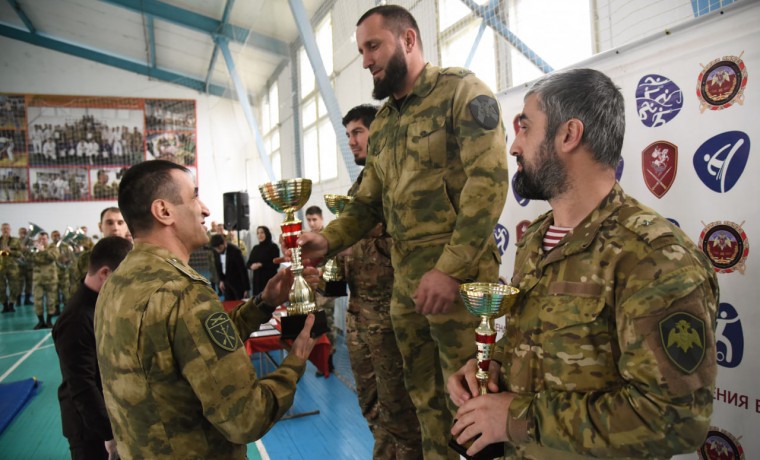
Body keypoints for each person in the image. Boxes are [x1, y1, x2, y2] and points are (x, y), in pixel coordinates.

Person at [447, 68, 719, 459]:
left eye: (525, 128)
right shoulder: (536, 239)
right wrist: (490, 363)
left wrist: (517, 417)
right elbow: (537, 340)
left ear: (568, 135)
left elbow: (676, 420)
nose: (514, 146)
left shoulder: (653, 257)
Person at [298, 5, 508, 457]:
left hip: (460, 288)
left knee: (473, 405)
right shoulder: (387, 122)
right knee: (425, 404)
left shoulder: (460, 91)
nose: (366, 60)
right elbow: (368, 201)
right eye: (360, 50)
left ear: (408, 40)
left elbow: (488, 183)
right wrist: (328, 239)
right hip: (408, 289)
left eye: (373, 46)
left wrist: (450, 270)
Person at [94, 159, 319, 459]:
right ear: (164, 211)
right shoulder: (183, 292)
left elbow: (193, 350)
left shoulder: (116, 283)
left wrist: (263, 303)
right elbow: (246, 418)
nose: (205, 209)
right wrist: (295, 362)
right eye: (194, 197)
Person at [338, 104, 422, 459]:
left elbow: (412, 248)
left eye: (357, 133)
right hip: (358, 317)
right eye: (348, 136)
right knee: (372, 409)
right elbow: (353, 249)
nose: (352, 142)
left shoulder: (400, 184)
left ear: (380, 132)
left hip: (391, 320)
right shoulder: (359, 190)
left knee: (402, 417)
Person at [53, 236, 133, 460]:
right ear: (105, 273)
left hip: (109, 413)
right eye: (123, 279)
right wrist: (108, 433)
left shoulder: (101, 303)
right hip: (90, 428)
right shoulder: (77, 319)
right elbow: (82, 384)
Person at [305, 205, 336, 376]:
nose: (312, 223)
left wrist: (320, 272)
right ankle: (321, 358)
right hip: (312, 287)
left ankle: (328, 361)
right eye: (309, 220)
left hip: (326, 286)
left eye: (314, 219)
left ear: (321, 219)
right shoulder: (308, 238)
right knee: (316, 323)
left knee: (327, 323)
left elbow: (335, 263)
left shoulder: (329, 236)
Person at [70, 207, 128, 295]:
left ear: (126, 226)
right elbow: (75, 291)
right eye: (110, 223)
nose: (115, 228)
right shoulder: (86, 259)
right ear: (100, 227)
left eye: (120, 223)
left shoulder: (137, 257)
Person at [31, 231, 59, 329]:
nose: (42, 241)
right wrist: (33, 249)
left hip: (50, 279)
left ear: (48, 239)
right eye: (40, 239)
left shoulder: (53, 247)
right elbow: (29, 259)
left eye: (44, 239)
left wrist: (43, 251)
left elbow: (53, 257)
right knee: (37, 301)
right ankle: (41, 321)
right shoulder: (34, 248)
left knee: (51, 301)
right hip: (37, 279)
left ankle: (49, 321)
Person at [210, 233, 250, 300]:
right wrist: (221, 280)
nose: (218, 250)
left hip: (238, 283)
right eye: (216, 249)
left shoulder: (235, 251)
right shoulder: (216, 251)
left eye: (219, 248)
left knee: (240, 304)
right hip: (226, 282)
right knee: (228, 303)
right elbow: (218, 267)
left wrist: (246, 289)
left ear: (224, 243)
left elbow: (243, 270)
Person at [246, 225, 280, 296]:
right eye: (258, 233)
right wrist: (251, 266)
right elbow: (248, 263)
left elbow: (276, 264)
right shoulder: (255, 248)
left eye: (262, 232)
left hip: (269, 280)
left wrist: (261, 265)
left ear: (267, 233)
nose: (260, 235)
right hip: (257, 281)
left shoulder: (273, 247)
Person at [1, 222, 22, 313]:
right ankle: (4, 305)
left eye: (7, 229)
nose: (5, 230)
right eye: (4, 229)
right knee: (1, 287)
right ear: (1, 230)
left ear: (10, 230)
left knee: (14, 286)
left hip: (12, 267)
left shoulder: (16, 240)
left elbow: (20, 254)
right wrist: (3, 252)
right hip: (1, 267)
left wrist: (10, 252)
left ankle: (11, 304)